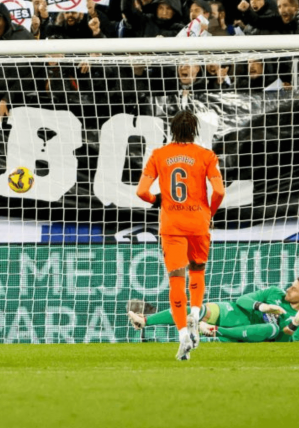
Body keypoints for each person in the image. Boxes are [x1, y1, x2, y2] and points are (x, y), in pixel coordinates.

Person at [136, 109, 226, 361]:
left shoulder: (159, 155)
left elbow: (141, 191)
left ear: (172, 130)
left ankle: (183, 334)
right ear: (195, 130)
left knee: (176, 280)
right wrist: (210, 212)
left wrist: (157, 201)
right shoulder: (206, 155)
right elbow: (219, 191)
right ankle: (195, 313)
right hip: (198, 222)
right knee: (197, 271)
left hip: (172, 224)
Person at [128, 279, 299, 343]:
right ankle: (145, 321)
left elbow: (284, 337)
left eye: (295, 289)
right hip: (237, 313)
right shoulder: (275, 292)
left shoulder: (295, 316)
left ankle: (215, 331)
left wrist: (294, 323)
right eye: (292, 285)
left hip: (256, 336)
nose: (289, 289)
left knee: (272, 328)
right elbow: (242, 300)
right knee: (198, 310)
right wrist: (263, 307)